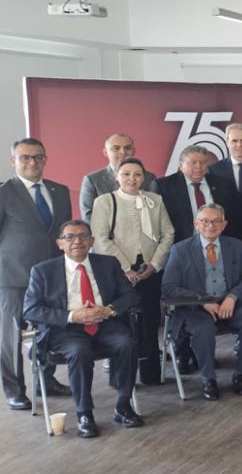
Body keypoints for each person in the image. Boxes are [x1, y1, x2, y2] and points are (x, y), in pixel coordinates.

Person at [23, 220, 143, 437]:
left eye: (83, 236)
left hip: (104, 323)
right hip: (65, 329)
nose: (77, 241)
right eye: (69, 237)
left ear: (92, 241)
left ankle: (123, 405)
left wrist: (109, 310)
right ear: (60, 243)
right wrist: (72, 316)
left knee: (126, 342)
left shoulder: (108, 263)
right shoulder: (43, 271)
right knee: (79, 351)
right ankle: (84, 413)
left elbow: (131, 295)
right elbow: (31, 310)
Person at [161, 204, 242, 400]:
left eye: (217, 221)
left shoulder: (236, 245)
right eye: (205, 221)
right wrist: (202, 301)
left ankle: (241, 373)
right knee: (204, 328)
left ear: (224, 224)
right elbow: (168, 287)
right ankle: (208, 378)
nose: (211, 225)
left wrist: (232, 297)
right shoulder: (180, 250)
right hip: (195, 308)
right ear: (196, 224)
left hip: (229, 304)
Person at [89, 157, 175, 385]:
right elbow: (101, 238)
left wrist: (155, 264)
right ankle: (121, 379)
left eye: (137, 174)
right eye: (126, 174)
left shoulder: (155, 200)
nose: (132, 179)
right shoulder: (104, 201)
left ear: (144, 177)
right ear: (116, 176)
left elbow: (168, 234)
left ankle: (150, 374)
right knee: (121, 323)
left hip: (149, 270)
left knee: (150, 320)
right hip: (118, 273)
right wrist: (126, 269)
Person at [1, 138, 73, 410]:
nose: (32, 162)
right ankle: (15, 390)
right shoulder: (4, 192)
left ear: (45, 159)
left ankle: (47, 379)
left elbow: (65, 234)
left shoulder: (60, 191)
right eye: (25, 157)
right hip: (13, 278)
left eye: (38, 157)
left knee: (50, 329)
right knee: (10, 337)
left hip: (53, 275)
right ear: (14, 161)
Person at [156, 145, 241, 244]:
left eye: (203, 162)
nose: (198, 166)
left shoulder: (224, 184)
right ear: (181, 166)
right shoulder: (164, 186)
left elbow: (233, 218)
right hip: (180, 245)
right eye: (193, 162)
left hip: (218, 244)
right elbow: (157, 223)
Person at [79, 133, 157, 223]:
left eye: (127, 148)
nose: (123, 152)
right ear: (105, 152)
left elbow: (155, 211)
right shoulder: (92, 180)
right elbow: (88, 216)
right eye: (116, 148)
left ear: (133, 151)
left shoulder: (149, 178)